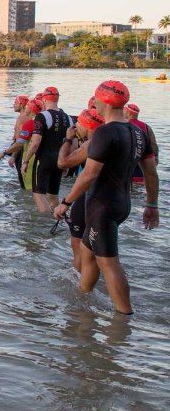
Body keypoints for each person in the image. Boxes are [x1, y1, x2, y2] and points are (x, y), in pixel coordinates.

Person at [54, 81, 159, 315]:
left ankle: (124, 317)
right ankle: (82, 300)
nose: (95, 103)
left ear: (106, 101)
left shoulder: (105, 132)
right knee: (88, 251)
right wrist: (152, 205)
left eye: (97, 99)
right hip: (122, 203)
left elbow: (90, 173)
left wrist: (66, 202)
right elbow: (151, 171)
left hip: (101, 205)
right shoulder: (138, 132)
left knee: (108, 262)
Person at [59, 108, 103, 275]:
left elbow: (62, 163)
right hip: (113, 200)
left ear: (88, 125)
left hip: (90, 197)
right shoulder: (112, 138)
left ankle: (79, 285)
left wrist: (68, 139)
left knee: (79, 246)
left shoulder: (91, 144)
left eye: (78, 123)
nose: (76, 126)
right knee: (101, 251)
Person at [22, 86, 72, 213]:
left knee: (38, 194)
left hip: (43, 160)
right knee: (53, 195)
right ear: (57, 99)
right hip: (60, 161)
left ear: (44, 99)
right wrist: (67, 162)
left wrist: (26, 161)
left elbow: (35, 142)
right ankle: (58, 218)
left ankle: (44, 225)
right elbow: (73, 144)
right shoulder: (68, 118)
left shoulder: (42, 116)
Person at [0, 97, 41, 191]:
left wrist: (7, 153)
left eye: (27, 107)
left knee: (30, 189)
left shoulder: (28, 122)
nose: (26, 108)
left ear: (30, 109)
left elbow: (19, 142)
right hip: (42, 159)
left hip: (31, 158)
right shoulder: (42, 122)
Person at [124, 104, 159, 184]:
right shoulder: (146, 127)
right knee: (140, 187)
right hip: (142, 164)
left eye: (124, 111)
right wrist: (155, 160)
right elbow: (154, 147)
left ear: (129, 114)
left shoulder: (122, 125)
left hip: (126, 165)